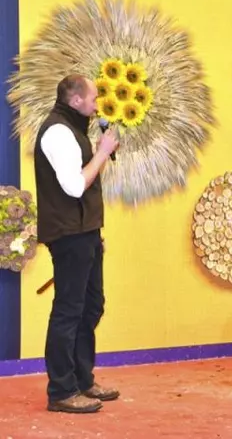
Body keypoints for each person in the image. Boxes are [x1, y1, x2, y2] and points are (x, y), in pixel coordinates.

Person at [34, 74, 121, 413]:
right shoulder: (57, 131)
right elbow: (74, 186)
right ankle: (61, 390)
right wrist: (103, 152)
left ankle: (83, 379)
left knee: (91, 306)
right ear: (75, 101)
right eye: (94, 97)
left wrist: (94, 233)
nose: (98, 103)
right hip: (68, 234)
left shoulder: (75, 128)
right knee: (69, 311)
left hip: (84, 232)